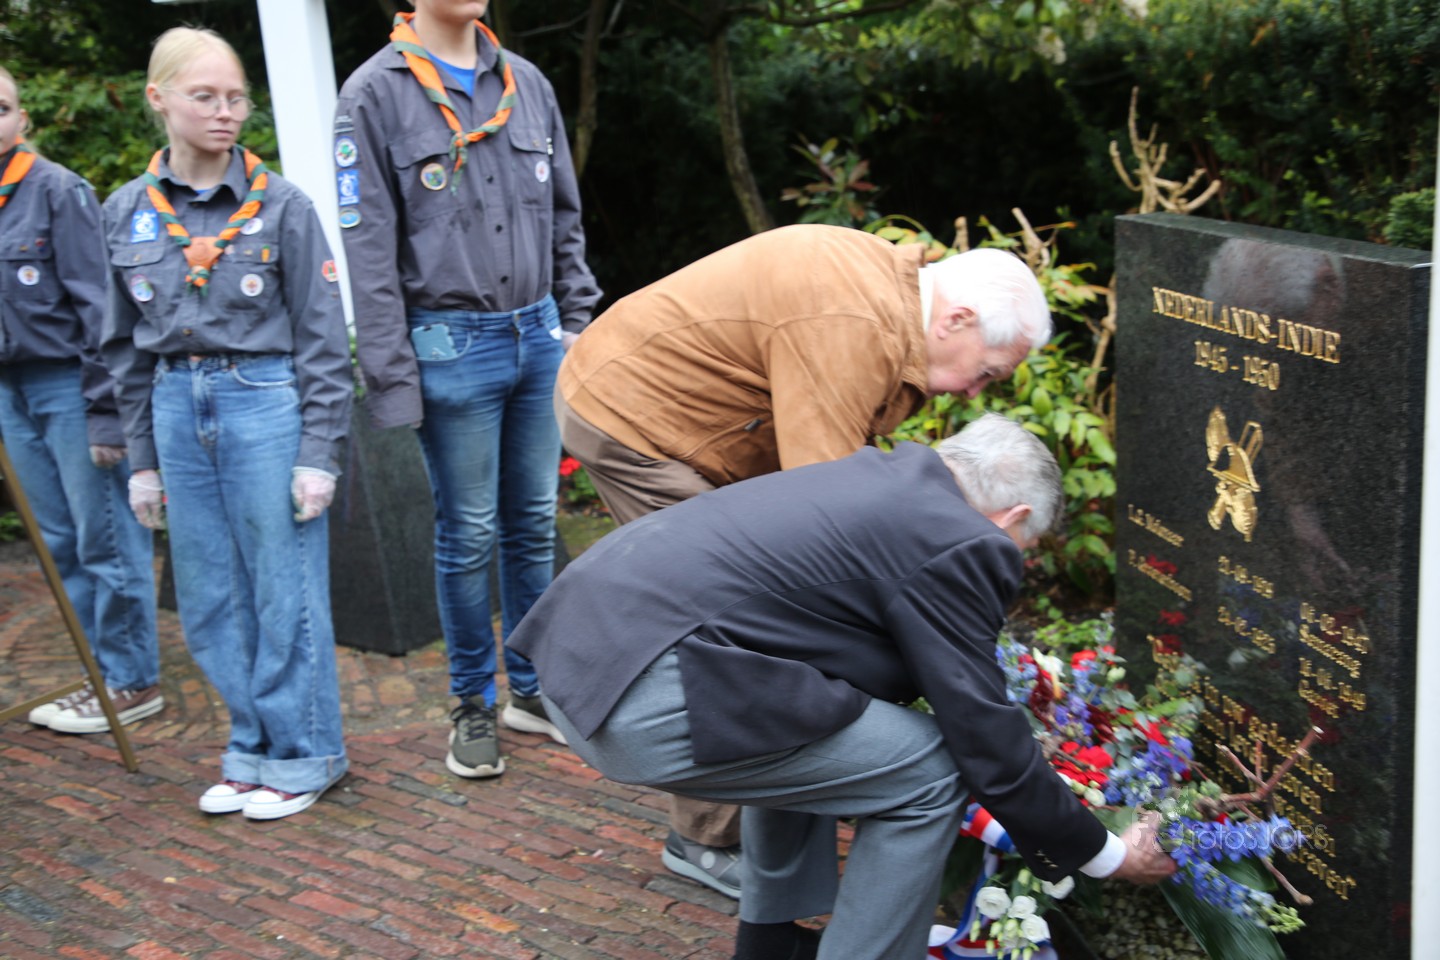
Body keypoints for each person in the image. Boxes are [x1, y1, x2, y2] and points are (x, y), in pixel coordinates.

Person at [509, 415, 1177, 960]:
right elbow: (982, 737)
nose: (1014, 564)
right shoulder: (962, 537)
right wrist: (1104, 854)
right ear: (1012, 517)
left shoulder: (877, 477)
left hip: (579, 662)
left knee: (828, 722)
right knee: (935, 770)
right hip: (643, 696)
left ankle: (770, 945)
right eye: (1024, 548)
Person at [554, 223, 1050, 898]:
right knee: (720, 620)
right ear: (956, 320)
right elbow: (831, 513)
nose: (974, 394)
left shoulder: (887, 303)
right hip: (641, 422)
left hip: (685, 422)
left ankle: (782, 819)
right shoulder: (851, 326)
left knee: (771, 621)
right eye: (986, 371)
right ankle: (706, 838)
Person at [336, 0, 601, 779]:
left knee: (533, 522)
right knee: (468, 533)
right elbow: (368, 252)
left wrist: (577, 321)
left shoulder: (526, 83)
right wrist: (392, 379)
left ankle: (531, 690)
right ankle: (471, 705)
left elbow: (564, 216)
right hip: (450, 346)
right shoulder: (373, 95)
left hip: (538, 335)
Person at [101, 27, 352, 820]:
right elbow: (121, 349)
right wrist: (142, 462)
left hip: (263, 400)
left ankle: (306, 754)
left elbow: (323, 339)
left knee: (284, 591)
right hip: (175, 404)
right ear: (159, 99)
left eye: (236, 98)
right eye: (205, 96)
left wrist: (319, 452)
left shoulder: (282, 206)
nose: (225, 112)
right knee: (209, 597)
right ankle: (250, 748)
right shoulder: (125, 212)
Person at [0, 65, 163, 734]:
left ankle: (132, 681)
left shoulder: (57, 191)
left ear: (22, 119)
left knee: (105, 538)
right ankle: (100, 674)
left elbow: (102, 313)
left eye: (1, 107)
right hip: (8, 392)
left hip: (68, 384)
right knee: (59, 542)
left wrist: (105, 412)